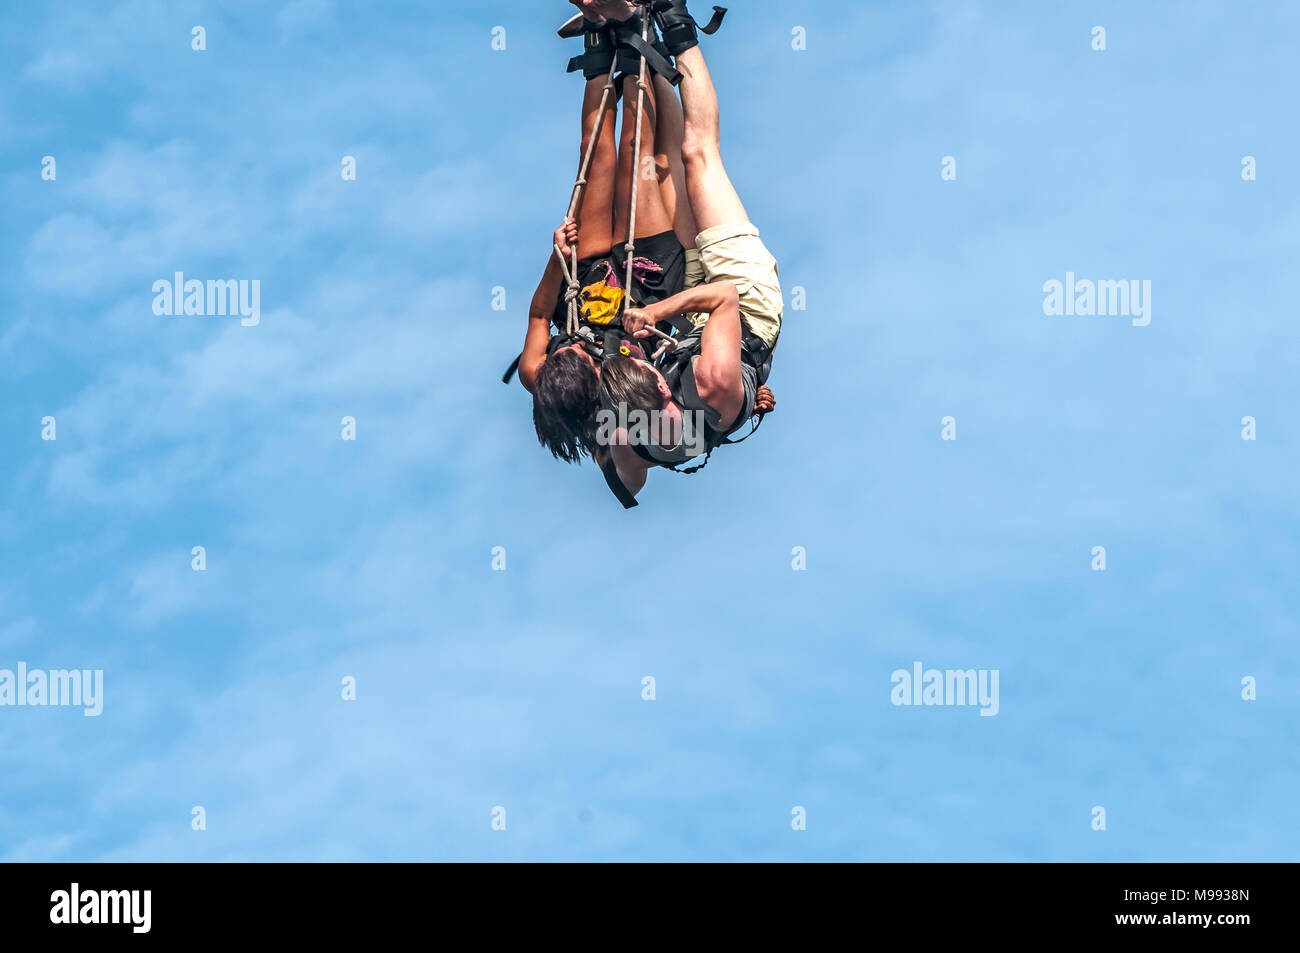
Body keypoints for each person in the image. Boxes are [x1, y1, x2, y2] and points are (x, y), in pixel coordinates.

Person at [597, 0, 783, 497]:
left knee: (668, 169)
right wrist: (657, 309)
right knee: (700, 156)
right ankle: (675, 19)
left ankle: (641, 41)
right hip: (743, 299)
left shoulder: (642, 441)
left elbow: (622, 473)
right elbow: (724, 296)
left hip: (700, 326)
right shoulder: (713, 384)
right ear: (661, 387)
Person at [517, 0, 692, 464]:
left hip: (585, 272)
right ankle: (637, 34)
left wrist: (558, 259)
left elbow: (539, 317)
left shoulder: (536, 371)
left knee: (592, 158)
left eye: (568, 351)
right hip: (647, 280)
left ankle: (598, 35)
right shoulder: (614, 414)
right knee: (641, 157)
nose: (577, 346)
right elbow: (676, 435)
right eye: (583, 356)